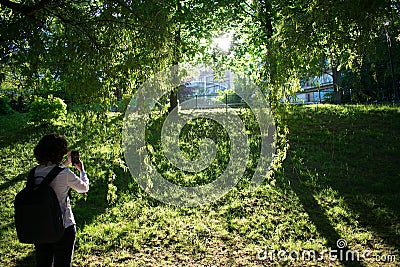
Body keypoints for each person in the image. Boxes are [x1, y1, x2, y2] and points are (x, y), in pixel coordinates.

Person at [32, 133, 89, 267]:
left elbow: (52, 173)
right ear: (59, 152)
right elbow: (83, 188)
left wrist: (66, 164)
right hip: (63, 227)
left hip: (40, 227)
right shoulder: (65, 174)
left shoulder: (34, 172)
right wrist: (82, 171)